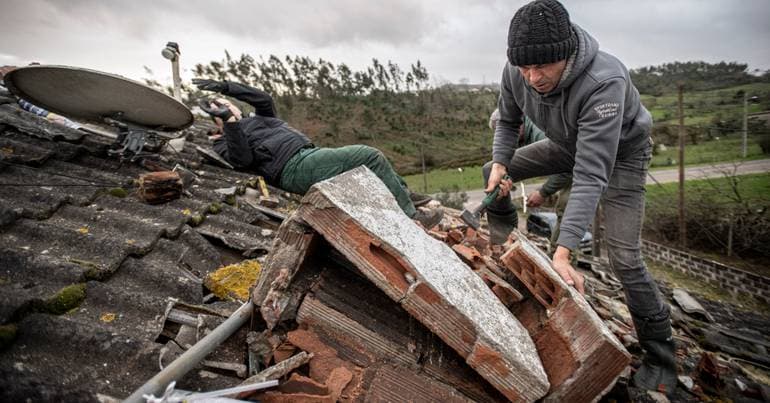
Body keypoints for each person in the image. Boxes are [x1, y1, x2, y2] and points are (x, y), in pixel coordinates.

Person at [484, 0, 676, 394]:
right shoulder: (518, 69)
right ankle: (501, 244)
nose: (532, 78)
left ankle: (660, 355)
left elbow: (590, 173)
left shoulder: (605, 81)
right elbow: (507, 119)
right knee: (492, 171)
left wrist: (564, 251)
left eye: (542, 69)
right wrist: (502, 164)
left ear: (566, 55)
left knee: (624, 258)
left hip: (621, 154)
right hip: (566, 142)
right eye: (525, 69)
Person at [193, 79, 442, 228]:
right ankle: (412, 217)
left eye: (227, 104)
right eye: (220, 109)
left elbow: (263, 98)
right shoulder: (223, 141)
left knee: (369, 166)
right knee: (369, 156)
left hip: (310, 156)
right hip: (292, 169)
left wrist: (227, 88)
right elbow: (242, 160)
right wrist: (230, 123)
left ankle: (405, 195)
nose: (227, 107)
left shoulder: (260, 118)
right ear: (217, 120)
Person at [487, 108, 571, 246]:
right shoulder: (521, 136)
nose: (507, 137)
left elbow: (566, 169)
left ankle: (561, 257)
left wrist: (543, 192)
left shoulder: (541, 134)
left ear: (518, 123)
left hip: (580, 168)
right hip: (568, 171)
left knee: (567, 210)